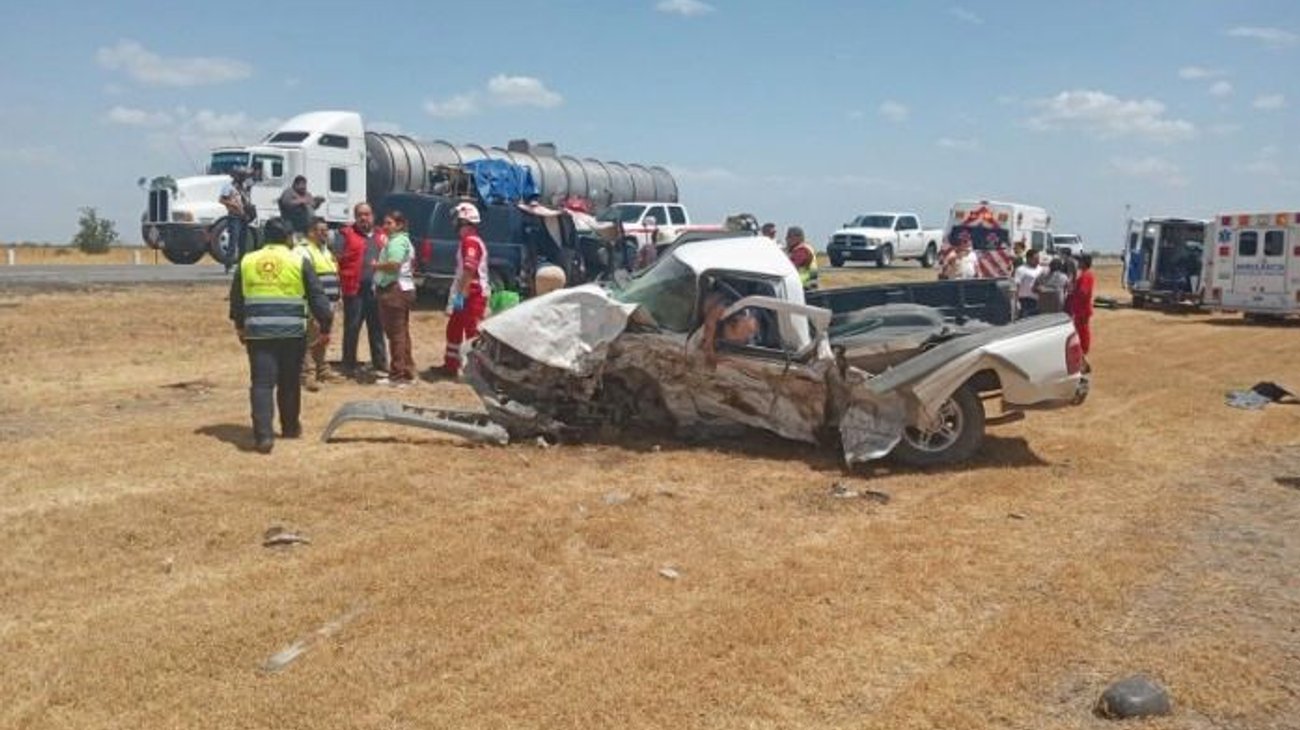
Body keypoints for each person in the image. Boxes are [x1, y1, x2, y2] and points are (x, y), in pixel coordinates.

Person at [228, 217, 333, 454]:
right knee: (289, 382)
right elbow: (317, 296)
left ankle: (264, 436)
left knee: (262, 383)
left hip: (258, 332)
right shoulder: (299, 259)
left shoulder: (248, 260)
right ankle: (290, 427)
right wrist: (325, 325)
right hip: (291, 332)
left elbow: (237, 298)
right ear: (288, 237)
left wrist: (239, 326)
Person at [336, 203, 388, 380]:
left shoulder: (382, 236)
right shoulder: (345, 235)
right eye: (360, 215)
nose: (364, 218)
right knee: (352, 327)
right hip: (354, 290)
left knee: (377, 328)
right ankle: (349, 364)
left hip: (376, 291)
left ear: (373, 215)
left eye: (367, 214)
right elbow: (337, 260)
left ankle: (380, 363)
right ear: (355, 217)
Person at [441, 201, 490, 376]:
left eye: (457, 221)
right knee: (454, 328)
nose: (455, 224)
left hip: (472, 294)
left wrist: (460, 296)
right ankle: (451, 365)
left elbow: (469, 270)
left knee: (472, 333)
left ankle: (476, 370)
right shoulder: (470, 241)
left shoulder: (470, 242)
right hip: (468, 292)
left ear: (464, 222)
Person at [297, 217, 342, 391]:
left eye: (326, 230)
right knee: (310, 339)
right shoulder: (303, 251)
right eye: (321, 230)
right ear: (311, 232)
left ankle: (322, 369)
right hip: (313, 304)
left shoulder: (325, 250)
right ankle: (308, 374)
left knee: (323, 338)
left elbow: (333, 273)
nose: (325, 233)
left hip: (329, 304)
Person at [372, 210, 417, 386]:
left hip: (395, 290)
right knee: (402, 333)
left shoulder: (398, 241)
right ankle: (407, 370)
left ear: (399, 225)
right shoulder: (402, 241)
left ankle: (397, 375)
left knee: (396, 334)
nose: (385, 226)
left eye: (389, 223)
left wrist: (377, 265)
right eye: (384, 222)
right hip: (403, 288)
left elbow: (394, 265)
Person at [219, 167, 256, 272]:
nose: (243, 177)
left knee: (243, 242)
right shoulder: (228, 186)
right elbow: (221, 199)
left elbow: (253, 177)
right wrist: (233, 204)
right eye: (241, 175)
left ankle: (242, 264)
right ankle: (228, 265)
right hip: (234, 216)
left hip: (244, 216)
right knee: (233, 240)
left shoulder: (244, 186)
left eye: (243, 175)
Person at [1069, 253, 1096, 355]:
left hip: (1082, 309)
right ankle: (1082, 348)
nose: (1077, 263)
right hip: (1080, 309)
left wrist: (1073, 291)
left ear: (1084, 263)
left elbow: (1083, 292)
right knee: (1080, 329)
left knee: (1083, 330)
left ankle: (1084, 350)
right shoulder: (1085, 274)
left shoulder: (1086, 275)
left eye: (1079, 261)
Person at [784, 226, 819, 290]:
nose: (786, 239)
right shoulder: (803, 248)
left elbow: (790, 268)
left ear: (798, 237)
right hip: (806, 285)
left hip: (804, 286)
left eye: (789, 236)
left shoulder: (801, 250)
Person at [1013, 249, 1045, 316]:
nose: (1038, 260)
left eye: (1038, 258)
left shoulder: (1041, 269)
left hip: (1039, 300)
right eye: (1035, 258)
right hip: (1025, 301)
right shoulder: (1021, 270)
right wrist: (1016, 302)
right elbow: (1016, 287)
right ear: (1028, 258)